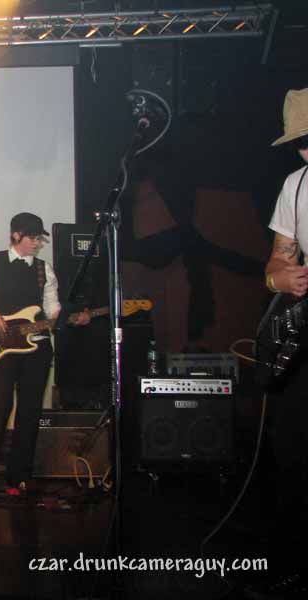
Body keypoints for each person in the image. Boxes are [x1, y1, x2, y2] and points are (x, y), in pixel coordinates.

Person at [0, 212, 90, 496]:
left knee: (30, 409)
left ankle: (19, 475)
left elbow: (53, 308)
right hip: (1, 346)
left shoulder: (44, 269)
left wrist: (72, 318)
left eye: (39, 239)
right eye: (33, 238)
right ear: (16, 236)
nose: (37, 243)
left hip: (37, 347)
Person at [247, 88, 308, 599]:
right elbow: (276, 260)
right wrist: (278, 280)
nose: (304, 150)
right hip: (303, 334)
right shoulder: (296, 183)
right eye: (299, 142)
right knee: (291, 451)